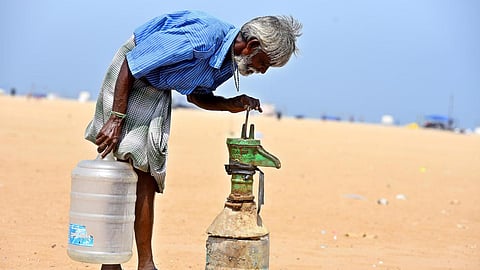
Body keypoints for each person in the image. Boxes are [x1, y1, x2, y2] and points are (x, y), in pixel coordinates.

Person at [84, 10, 302, 270]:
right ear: (252, 46)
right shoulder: (201, 38)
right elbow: (132, 63)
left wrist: (229, 104)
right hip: (128, 78)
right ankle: (119, 263)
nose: (261, 72)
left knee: (148, 170)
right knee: (122, 164)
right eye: (263, 64)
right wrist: (116, 118)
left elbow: (196, 96)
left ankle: (141, 264)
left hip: (157, 88)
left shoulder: (227, 64)